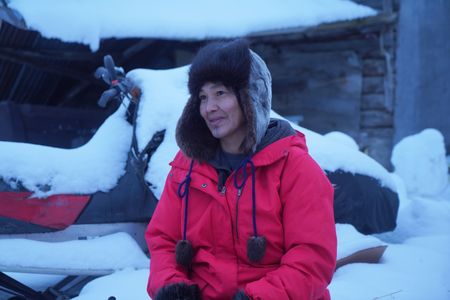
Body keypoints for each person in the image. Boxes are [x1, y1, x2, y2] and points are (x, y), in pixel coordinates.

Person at [145, 39, 337, 300]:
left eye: (220, 93)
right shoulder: (186, 168)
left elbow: (311, 260)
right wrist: (173, 288)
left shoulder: (295, 169)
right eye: (202, 97)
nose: (209, 107)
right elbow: (163, 240)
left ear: (250, 97)